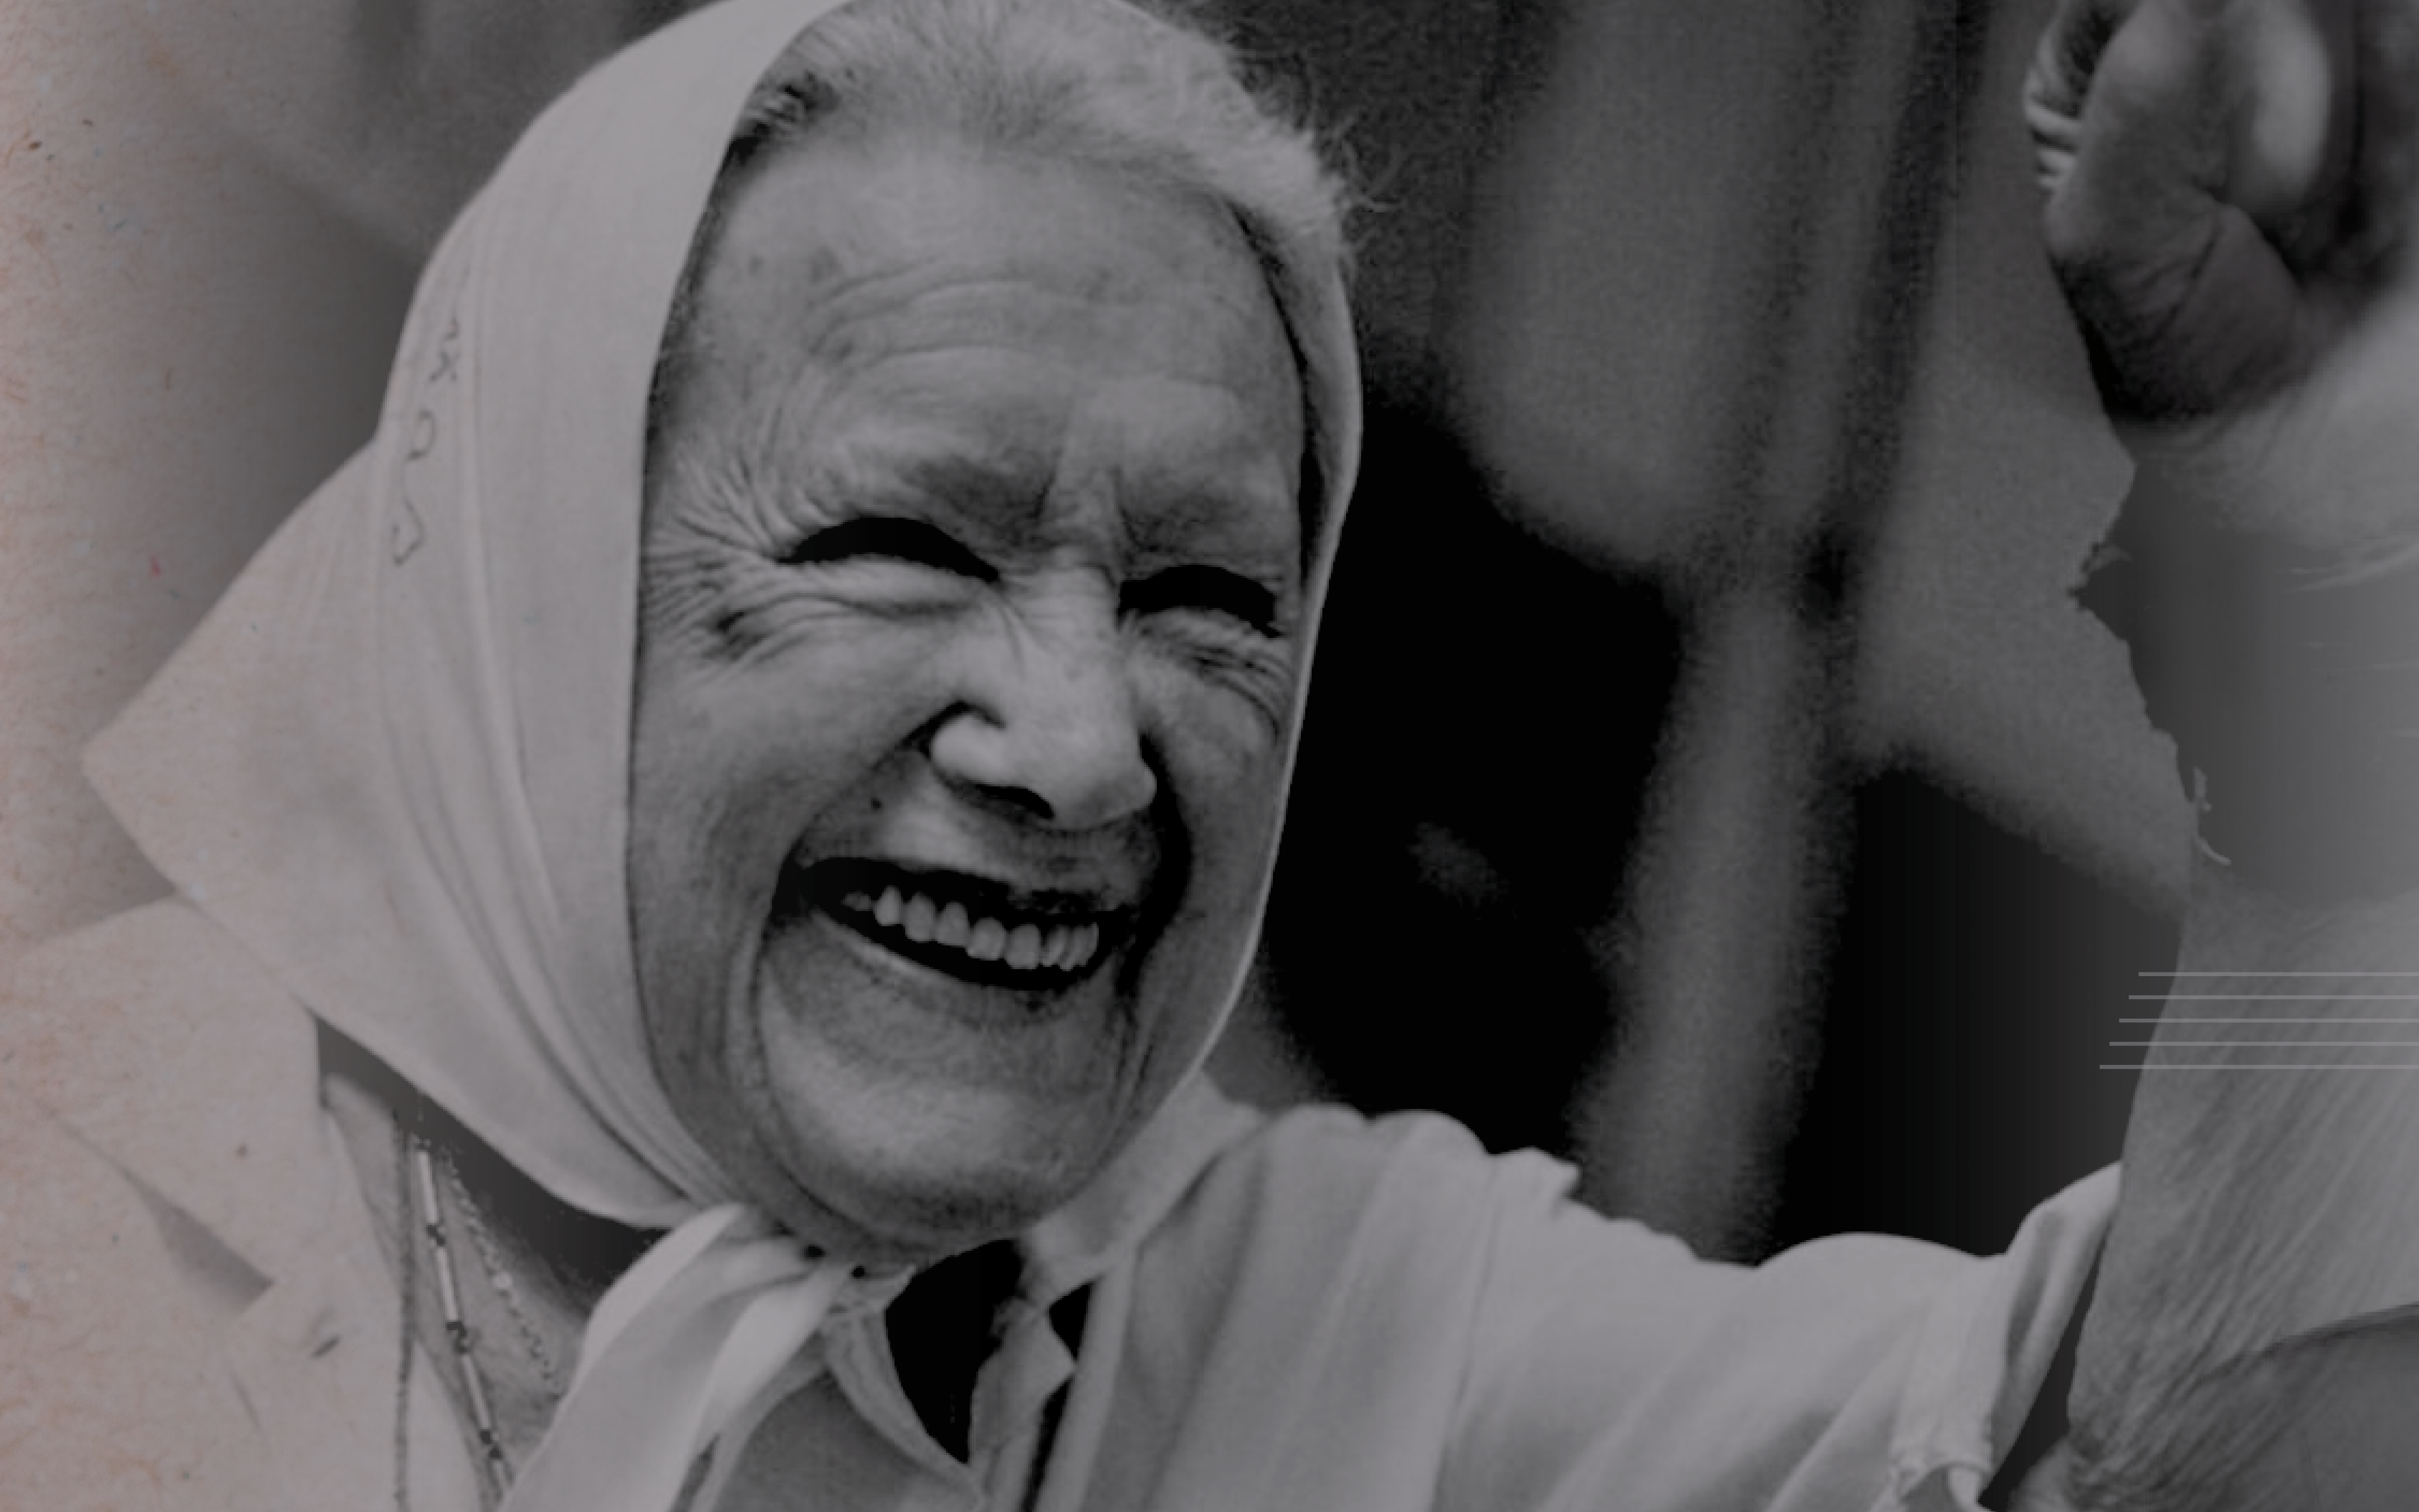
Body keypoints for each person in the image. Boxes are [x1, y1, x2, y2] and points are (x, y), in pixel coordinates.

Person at [1, 0, 2411, 1508]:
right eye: (901, 544)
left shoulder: (1298, 1312)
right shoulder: (73, 1221)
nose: (1084, 744)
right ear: (519, 606)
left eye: (1205, 600)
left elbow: (2153, 1456)